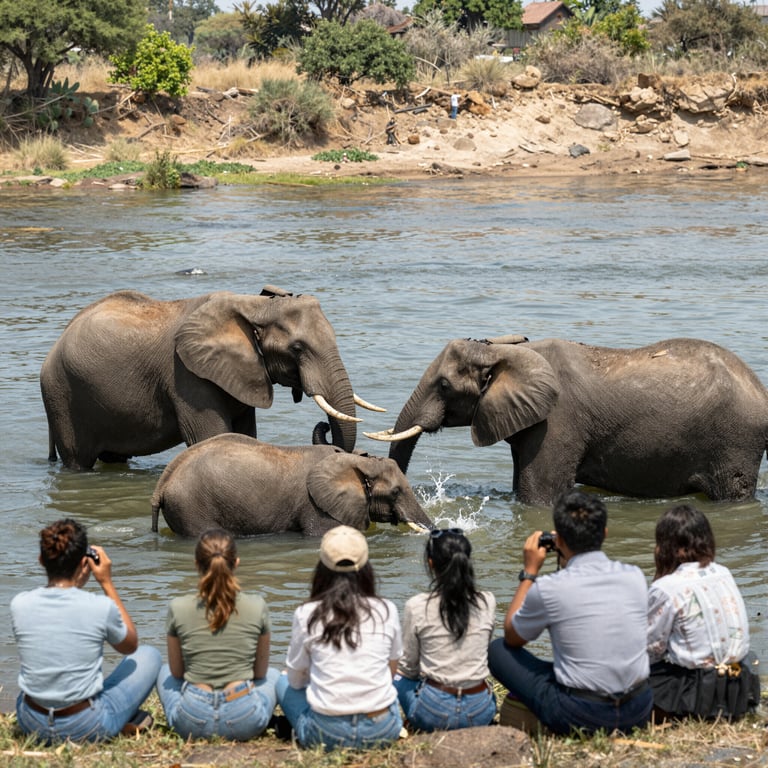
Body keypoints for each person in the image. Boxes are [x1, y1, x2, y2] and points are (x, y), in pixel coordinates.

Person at [488, 489, 652, 735]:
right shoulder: (635, 576)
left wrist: (530, 572)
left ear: (559, 541)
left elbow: (513, 635)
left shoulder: (549, 588)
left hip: (582, 714)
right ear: (604, 534)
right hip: (638, 709)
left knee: (497, 650)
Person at [11, 518, 161, 744]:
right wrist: (107, 583)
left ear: (41, 560)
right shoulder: (99, 606)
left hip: (31, 721)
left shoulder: (19, 603)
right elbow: (130, 646)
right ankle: (116, 721)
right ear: (85, 563)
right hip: (85, 724)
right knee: (149, 655)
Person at [276, 525, 403, 750]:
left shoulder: (307, 613)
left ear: (322, 567)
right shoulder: (387, 609)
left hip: (326, 733)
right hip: (381, 729)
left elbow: (296, 681)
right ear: (365, 566)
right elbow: (391, 672)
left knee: (282, 681)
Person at [156, 528, 278, 741]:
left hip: (192, 720)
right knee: (275, 675)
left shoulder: (178, 606)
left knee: (163, 670)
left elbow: (177, 673)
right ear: (236, 563)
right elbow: (260, 674)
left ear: (196, 564)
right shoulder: (258, 605)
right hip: (244, 719)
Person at [647, 504, 760, 721]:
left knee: (632, 670)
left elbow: (650, 651)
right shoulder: (723, 572)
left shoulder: (666, 587)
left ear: (665, 546)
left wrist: (660, 573)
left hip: (699, 698)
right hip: (741, 689)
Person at [394, 528, 497, 732]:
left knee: (395, 676)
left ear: (431, 563)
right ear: (467, 560)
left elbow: (408, 669)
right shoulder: (487, 601)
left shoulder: (416, 605)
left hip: (434, 713)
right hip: (481, 711)